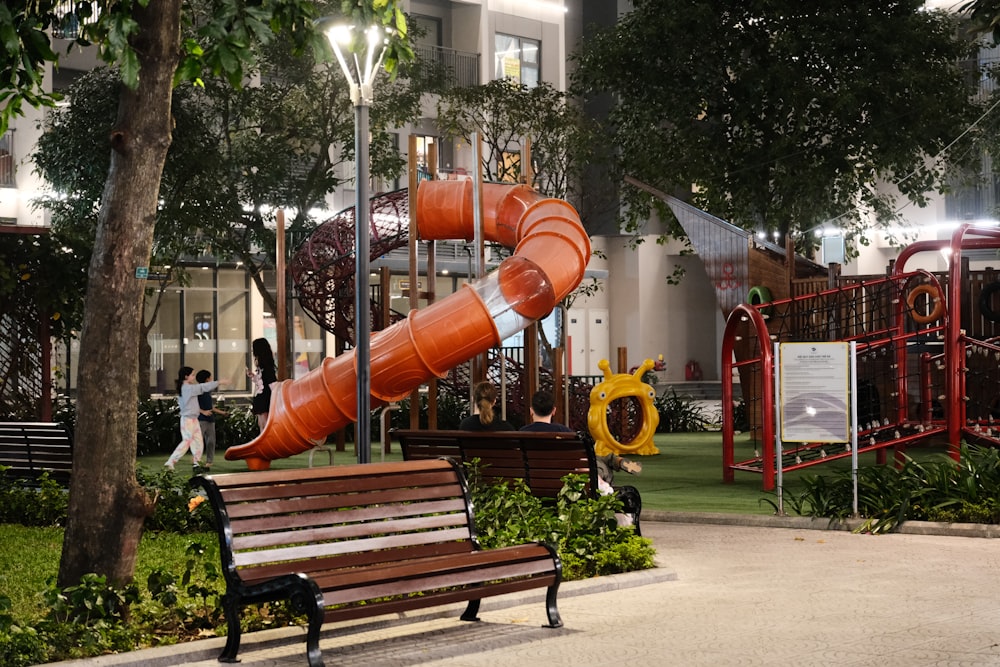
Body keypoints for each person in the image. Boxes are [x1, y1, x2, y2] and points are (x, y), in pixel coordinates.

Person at [520, 389, 642, 485]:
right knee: (595, 459)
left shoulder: (520, 435)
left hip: (531, 481)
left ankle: (613, 460)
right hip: (564, 481)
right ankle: (615, 461)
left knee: (595, 457)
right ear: (554, 411)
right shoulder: (564, 433)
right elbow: (581, 459)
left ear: (531, 411)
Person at [166, 367, 226, 472]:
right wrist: (219, 382)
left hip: (193, 419)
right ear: (186, 376)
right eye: (192, 375)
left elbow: (201, 389)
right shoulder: (187, 388)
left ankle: (196, 464)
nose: (194, 377)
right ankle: (171, 461)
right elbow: (203, 387)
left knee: (198, 442)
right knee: (187, 442)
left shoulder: (188, 388)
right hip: (187, 420)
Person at [195, 369, 227, 470]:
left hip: (210, 419)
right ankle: (196, 462)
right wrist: (203, 412)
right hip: (201, 419)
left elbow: (210, 406)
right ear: (207, 379)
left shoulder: (207, 392)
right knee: (199, 441)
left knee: (211, 441)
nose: (211, 379)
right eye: (210, 377)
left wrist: (222, 413)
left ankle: (209, 461)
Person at [248, 337, 277, 431]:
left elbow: (272, 384)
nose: (253, 353)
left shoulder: (266, 368)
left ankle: (266, 443)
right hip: (264, 398)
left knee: (264, 425)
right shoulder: (264, 367)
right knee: (263, 424)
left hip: (264, 399)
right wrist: (253, 376)